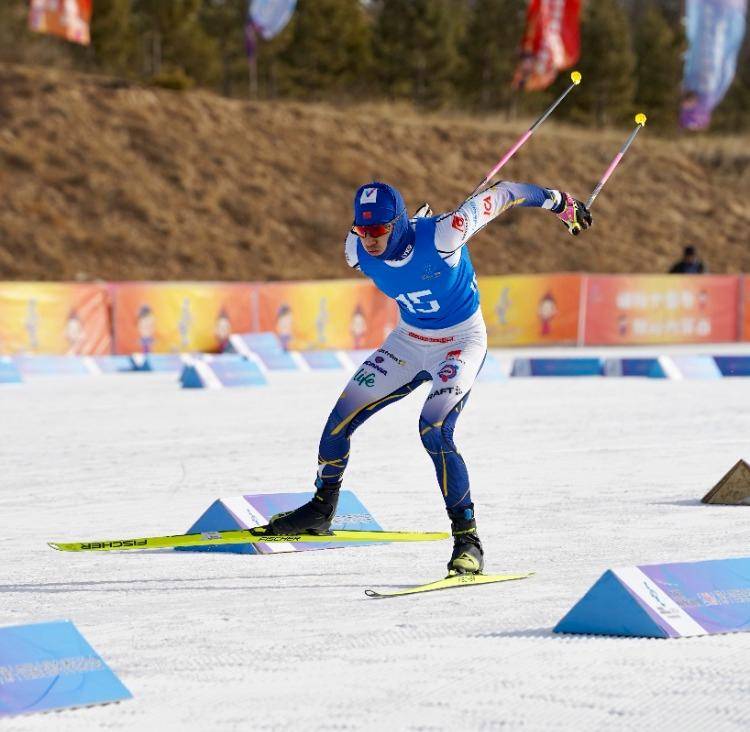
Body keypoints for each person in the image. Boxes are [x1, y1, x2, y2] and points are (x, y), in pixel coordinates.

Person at [266, 180, 592, 574]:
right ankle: (321, 510)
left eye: (380, 229)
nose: (369, 239)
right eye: (362, 229)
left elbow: (505, 192)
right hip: (408, 341)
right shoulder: (354, 250)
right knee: (339, 421)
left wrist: (560, 203)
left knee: (434, 429)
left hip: (460, 341)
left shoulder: (447, 232)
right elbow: (392, 254)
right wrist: (402, 235)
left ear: (398, 223)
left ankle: (468, 541)